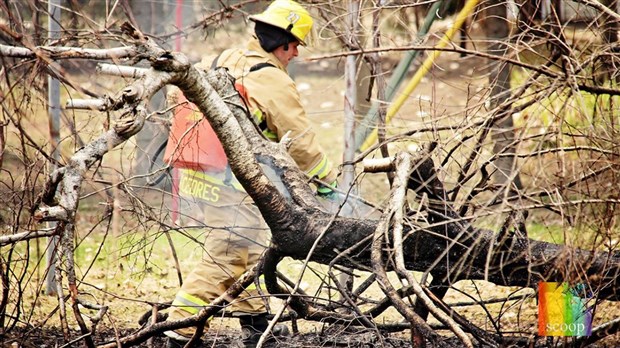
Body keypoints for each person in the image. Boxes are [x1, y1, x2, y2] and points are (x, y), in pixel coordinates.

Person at [164, 1, 338, 347]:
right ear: (283, 43)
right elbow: (301, 143)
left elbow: (176, 94)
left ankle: (257, 326)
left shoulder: (223, 59)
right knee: (230, 250)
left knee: (249, 248)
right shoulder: (271, 79)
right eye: (296, 45)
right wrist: (326, 184)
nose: (298, 54)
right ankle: (178, 331)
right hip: (230, 182)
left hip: (196, 175)